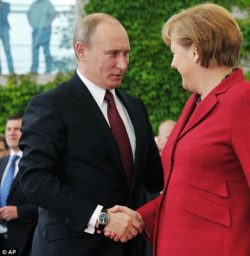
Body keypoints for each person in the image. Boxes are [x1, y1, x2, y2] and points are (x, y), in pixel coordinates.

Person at [110, 3, 250, 256]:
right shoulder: (195, 104)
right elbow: (189, 192)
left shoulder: (244, 100)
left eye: (175, 53)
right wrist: (141, 217)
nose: (173, 64)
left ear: (196, 52)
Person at [18, 13, 163, 256]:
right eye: (113, 54)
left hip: (133, 249)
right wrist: (102, 218)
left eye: (126, 53)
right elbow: (35, 180)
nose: (123, 64)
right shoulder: (51, 105)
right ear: (81, 50)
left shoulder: (135, 106)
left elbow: (154, 179)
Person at [0, 113, 38, 255]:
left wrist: (20, 212)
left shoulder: (37, 163)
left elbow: (48, 201)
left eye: (17, 129)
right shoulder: (1, 163)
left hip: (26, 239)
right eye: (8, 129)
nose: (11, 133)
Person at [27, 0, 56, 74]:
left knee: (46, 50)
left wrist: (47, 23)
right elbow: (28, 15)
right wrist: (32, 24)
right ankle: (34, 69)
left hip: (45, 30)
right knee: (35, 51)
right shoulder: (33, 5)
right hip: (36, 30)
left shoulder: (47, 4)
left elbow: (53, 14)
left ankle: (48, 69)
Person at [0, 0, 14, 74]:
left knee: (7, 50)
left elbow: (6, 12)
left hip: (4, 28)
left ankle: (11, 71)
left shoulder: (6, 5)